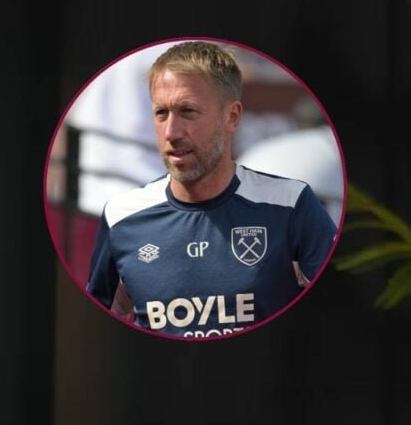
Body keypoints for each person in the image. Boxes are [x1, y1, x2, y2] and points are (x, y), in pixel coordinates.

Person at [85, 41, 337, 338]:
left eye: (188, 111)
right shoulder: (121, 216)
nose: (171, 132)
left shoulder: (291, 204)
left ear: (232, 116)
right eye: (161, 113)